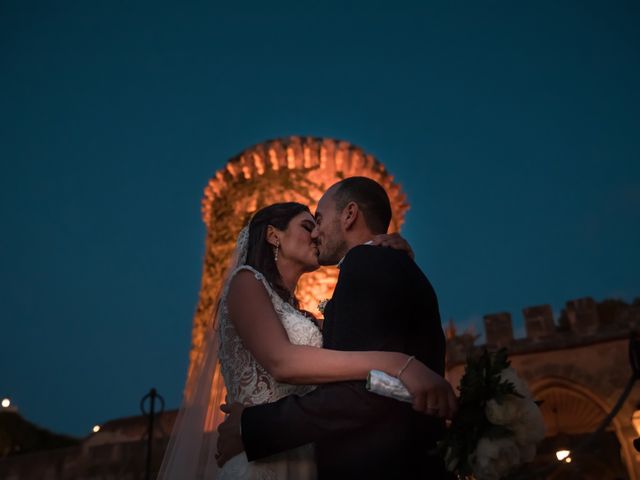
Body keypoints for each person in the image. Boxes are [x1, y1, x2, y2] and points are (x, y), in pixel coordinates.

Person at [216, 177, 455, 479]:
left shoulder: (366, 265)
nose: (316, 233)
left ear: (350, 214)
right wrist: (397, 364)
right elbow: (283, 361)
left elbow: (361, 390)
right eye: (307, 225)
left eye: (317, 220)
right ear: (273, 236)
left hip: (321, 454)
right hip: (272, 462)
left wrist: (250, 426)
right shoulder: (247, 282)